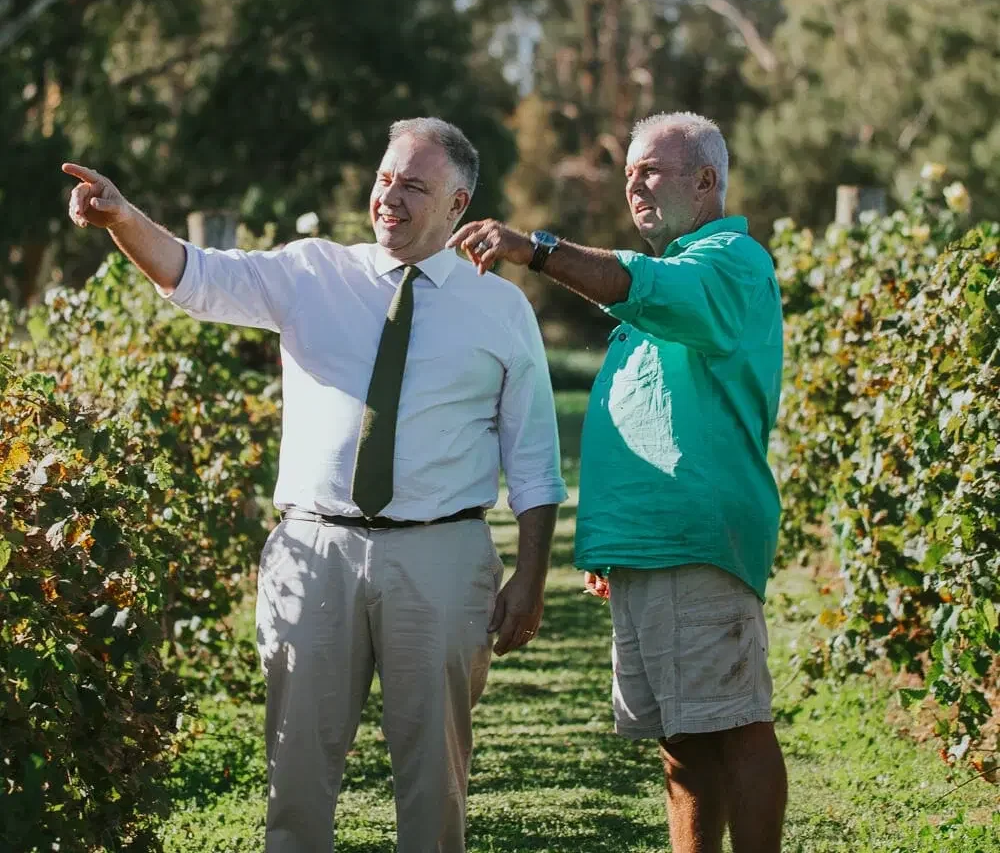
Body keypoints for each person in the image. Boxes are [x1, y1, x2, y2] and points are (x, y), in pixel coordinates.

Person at [64, 117, 567, 853]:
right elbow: (193, 276)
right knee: (295, 772)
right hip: (313, 550)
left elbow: (533, 454)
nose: (389, 198)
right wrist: (121, 216)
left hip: (442, 555)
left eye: (414, 187)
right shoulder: (311, 273)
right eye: (384, 179)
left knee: (435, 777)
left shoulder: (502, 308)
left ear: (459, 205)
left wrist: (531, 574)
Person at [449, 111, 787, 853]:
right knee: (682, 733)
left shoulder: (729, 259)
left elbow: (640, 284)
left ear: (706, 181)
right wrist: (611, 542)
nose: (632, 183)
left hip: (694, 539)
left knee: (733, 722)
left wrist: (535, 250)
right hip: (650, 547)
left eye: (651, 171)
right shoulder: (671, 279)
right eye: (629, 171)